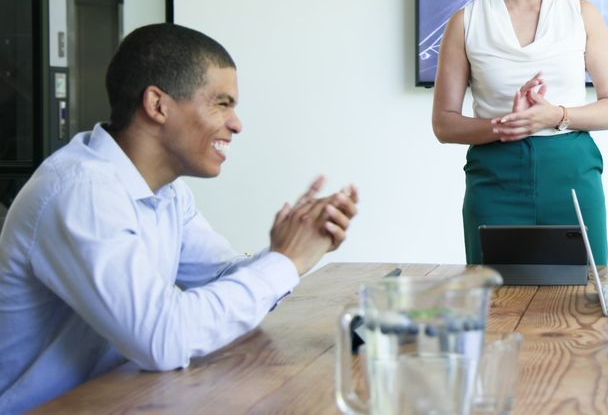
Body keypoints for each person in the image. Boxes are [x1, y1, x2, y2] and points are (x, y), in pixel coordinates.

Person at [0, 23, 359, 412]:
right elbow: (162, 339)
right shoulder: (81, 192)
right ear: (158, 105)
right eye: (222, 103)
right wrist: (285, 261)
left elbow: (222, 275)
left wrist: (294, 243)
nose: (236, 123)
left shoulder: (167, 193)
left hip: (120, 401)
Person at [431, 0, 608, 264]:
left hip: (572, 177)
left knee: (583, 301)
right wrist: (505, 126)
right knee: (497, 305)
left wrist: (556, 116)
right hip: (496, 183)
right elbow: (444, 124)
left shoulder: (581, 13)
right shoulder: (465, 22)